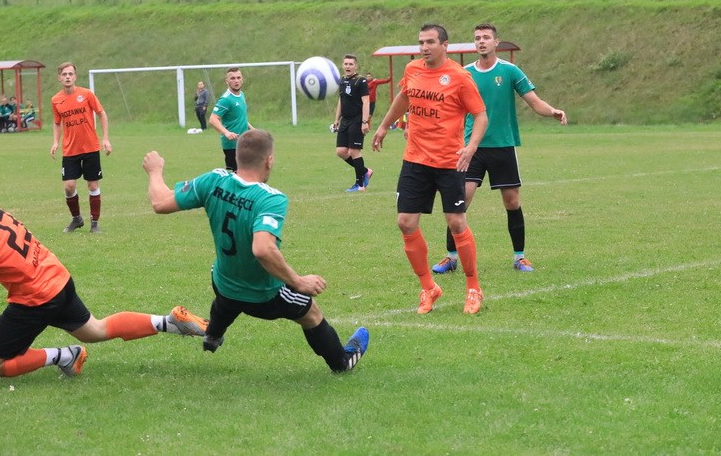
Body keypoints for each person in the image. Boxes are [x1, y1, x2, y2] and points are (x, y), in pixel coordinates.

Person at [142, 129, 369, 372]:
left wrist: (155, 171)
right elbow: (262, 249)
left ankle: (213, 334)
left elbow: (160, 203)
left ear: (237, 156)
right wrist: (298, 281)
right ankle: (341, 363)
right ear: (269, 160)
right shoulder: (270, 199)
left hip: (223, 283)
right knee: (310, 313)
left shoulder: (214, 180)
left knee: (225, 296)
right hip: (264, 296)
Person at [0, 194, 208, 378]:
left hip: (37, 297)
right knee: (95, 330)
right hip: (56, 275)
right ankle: (169, 322)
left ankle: (63, 356)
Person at [432, 23, 568, 274]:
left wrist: (552, 112)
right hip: (471, 148)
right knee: (459, 200)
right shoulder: (465, 73)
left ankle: (520, 257)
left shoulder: (510, 70)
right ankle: (451, 257)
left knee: (512, 201)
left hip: (503, 145)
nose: (481, 41)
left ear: (496, 42)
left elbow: (534, 101)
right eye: (477, 38)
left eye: (486, 37)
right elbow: (447, 106)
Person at [372, 23, 488, 315]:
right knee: (405, 222)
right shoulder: (412, 69)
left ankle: (473, 288)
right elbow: (404, 97)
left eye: (430, 42)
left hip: (450, 161)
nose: (424, 47)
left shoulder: (460, 77)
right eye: (421, 42)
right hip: (415, 160)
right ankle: (428, 288)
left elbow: (481, 115)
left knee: (456, 223)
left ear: (444, 45)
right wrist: (384, 126)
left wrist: (471, 146)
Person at [50, 62, 112, 233]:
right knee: (69, 186)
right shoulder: (56, 100)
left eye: (70, 74)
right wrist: (55, 142)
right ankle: (76, 219)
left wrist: (105, 139)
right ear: (59, 78)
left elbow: (101, 114)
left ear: (75, 77)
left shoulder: (86, 94)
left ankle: (95, 223)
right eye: (64, 74)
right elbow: (57, 122)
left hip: (91, 147)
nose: (67, 77)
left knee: (92, 185)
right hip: (70, 149)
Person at [333, 55, 373, 192]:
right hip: (345, 120)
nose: (348, 66)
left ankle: (360, 185)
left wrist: (365, 122)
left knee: (355, 151)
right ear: (343, 65)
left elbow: (366, 102)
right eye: (346, 64)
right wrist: (336, 119)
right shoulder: (342, 80)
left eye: (351, 64)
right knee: (341, 151)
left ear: (355, 66)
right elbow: (341, 100)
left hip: (357, 119)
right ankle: (365, 171)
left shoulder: (361, 81)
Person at [209, 67, 252, 172]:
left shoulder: (241, 95)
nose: (236, 81)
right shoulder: (225, 99)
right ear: (227, 81)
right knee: (238, 175)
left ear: (242, 79)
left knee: (246, 173)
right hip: (232, 144)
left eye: (238, 78)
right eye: (232, 78)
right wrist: (227, 133)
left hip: (243, 141)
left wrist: (252, 129)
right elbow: (213, 119)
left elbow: (240, 117)